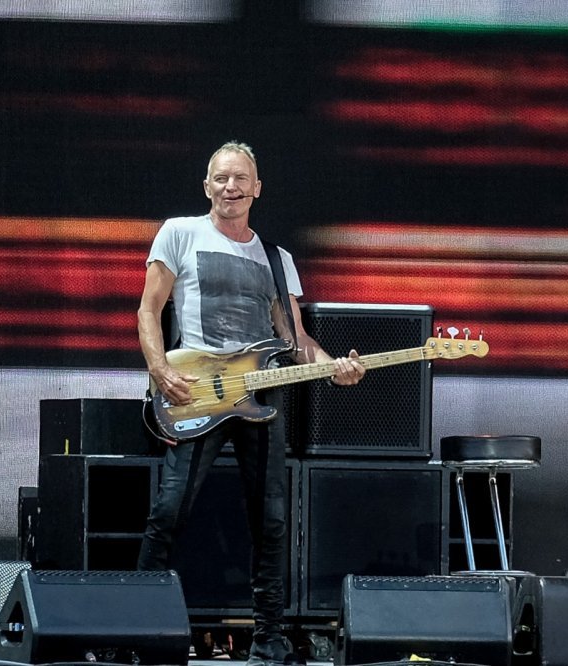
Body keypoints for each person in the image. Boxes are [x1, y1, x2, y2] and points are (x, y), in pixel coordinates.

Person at [136, 140, 365, 666]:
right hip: (198, 389)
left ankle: (269, 638)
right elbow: (148, 310)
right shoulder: (179, 233)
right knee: (169, 510)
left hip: (260, 396)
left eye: (240, 179)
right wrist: (160, 369)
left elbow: (295, 339)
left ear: (257, 188)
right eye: (221, 178)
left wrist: (335, 366)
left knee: (272, 520)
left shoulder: (277, 260)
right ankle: (139, 626)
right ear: (206, 186)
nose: (230, 187)